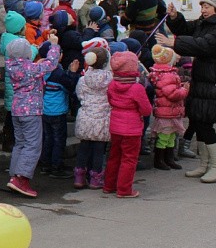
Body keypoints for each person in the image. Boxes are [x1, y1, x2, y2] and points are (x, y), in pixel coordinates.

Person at [157, 0, 216, 183]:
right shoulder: (205, 23)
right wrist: (175, 18)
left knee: (205, 122)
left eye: (207, 6)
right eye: (202, 6)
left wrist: (175, 42)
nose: (203, 10)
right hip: (204, 76)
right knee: (199, 119)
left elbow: (202, 45)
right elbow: (187, 29)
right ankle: (204, 164)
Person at [5, 32, 60, 199]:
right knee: (33, 145)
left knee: (20, 143)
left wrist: (37, 64)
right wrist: (54, 45)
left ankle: (14, 175)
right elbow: (52, 64)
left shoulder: (12, 66)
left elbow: (30, 69)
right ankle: (21, 179)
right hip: (31, 110)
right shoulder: (30, 69)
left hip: (16, 109)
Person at [103, 51, 151, 198]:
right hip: (132, 128)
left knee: (114, 156)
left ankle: (109, 185)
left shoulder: (112, 85)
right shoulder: (137, 88)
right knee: (129, 158)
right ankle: (124, 189)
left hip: (115, 125)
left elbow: (110, 101)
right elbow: (146, 110)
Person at [74, 47, 112, 190]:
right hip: (102, 117)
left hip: (85, 116)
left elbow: (79, 95)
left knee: (83, 147)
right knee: (99, 149)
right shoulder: (110, 79)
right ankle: (95, 179)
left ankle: (79, 177)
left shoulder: (83, 79)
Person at [40, 45, 79, 179]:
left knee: (47, 138)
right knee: (58, 140)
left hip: (45, 110)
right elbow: (71, 86)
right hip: (57, 111)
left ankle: (45, 164)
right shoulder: (58, 74)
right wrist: (72, 73)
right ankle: (56, 166)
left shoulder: (41, 70)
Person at [149, 44, 188, 171]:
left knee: (170, 135)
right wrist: (184, 90)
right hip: (167, 111)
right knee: (165, 136)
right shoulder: (168, 75)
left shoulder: (162, 73)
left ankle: (167, 158)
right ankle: (160, 159)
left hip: (168, 110)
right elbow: (172, 94)